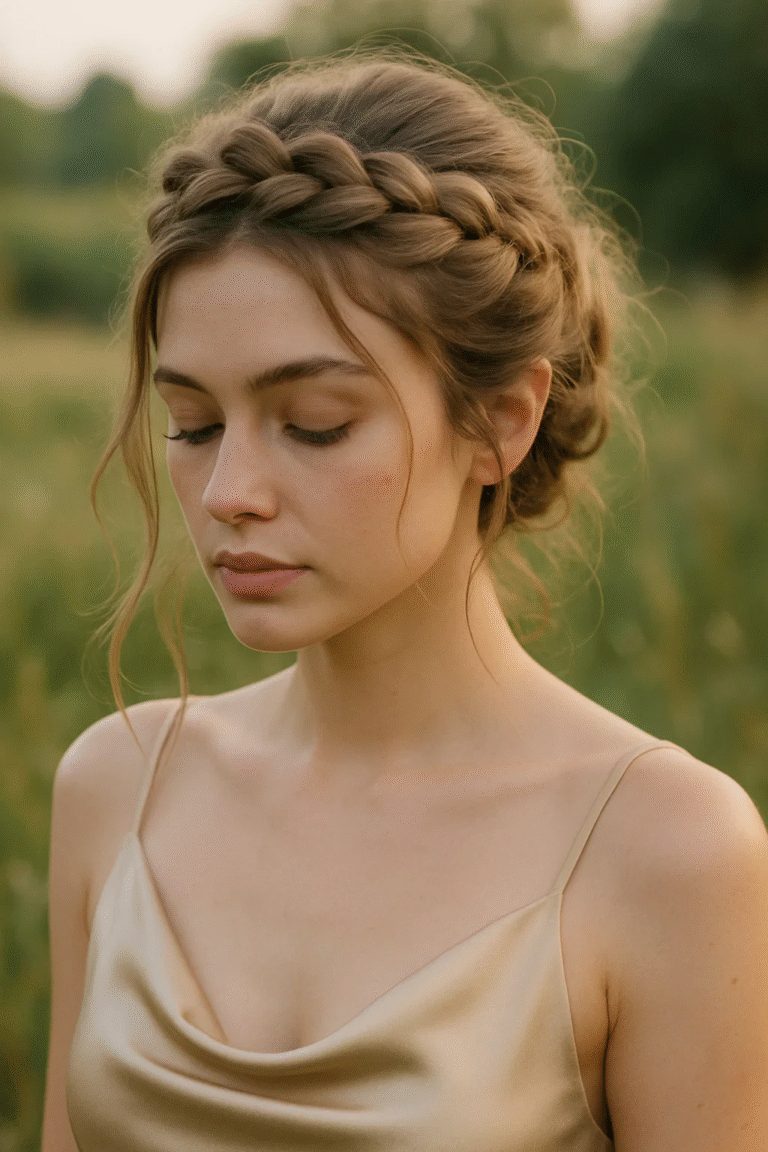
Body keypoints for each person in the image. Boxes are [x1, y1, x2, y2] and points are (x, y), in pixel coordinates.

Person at [44, 49, 768, 1152]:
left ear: (501, 420)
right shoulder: (115, 787)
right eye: (192, 424)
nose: (229, 493)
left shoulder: (667, 851)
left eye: (316, 422)